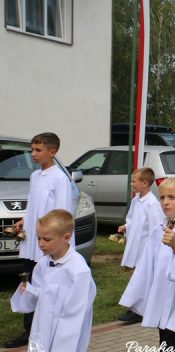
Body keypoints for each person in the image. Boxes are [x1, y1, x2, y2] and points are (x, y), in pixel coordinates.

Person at [119, 177, 175, 352]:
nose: (165, 202)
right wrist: (136, 295)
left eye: (172, 197)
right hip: (162, 295)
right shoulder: (158, 230)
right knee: (165, 340)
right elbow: (146, 266)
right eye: (162, 197)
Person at [5, 132, 76, 349]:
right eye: (32, 150)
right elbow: (35, 203)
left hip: (48, 245)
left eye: (38, 150)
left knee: (46, 286)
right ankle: (29, 330)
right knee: (29, 283)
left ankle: (46, 329)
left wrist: (57, 243)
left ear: (52, 152)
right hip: (31, 242)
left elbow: (62, 213)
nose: (34, 154)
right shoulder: (35, 176)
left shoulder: (60, 179)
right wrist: (24, 220)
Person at [10, 209, 96, 352]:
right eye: (39, 238)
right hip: (42, 325)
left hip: (65, 333)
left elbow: (75, 315)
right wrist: (28, 290)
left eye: (47, 239)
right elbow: (39, 298)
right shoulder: (42, 265)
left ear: (66, 237)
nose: (41, 244)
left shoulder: (78, 271)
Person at [118, 167, 162, 323]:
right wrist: (126, 227)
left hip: (145, 248)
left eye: (133, 181)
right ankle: (137, 306)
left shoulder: (152, 204)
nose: (131, 184)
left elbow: (156, 229)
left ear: (144, 183)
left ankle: (138, 310)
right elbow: (132, 218)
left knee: (142, 277)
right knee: (136, 276)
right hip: (135, 244)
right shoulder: (137, 200)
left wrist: (154, 251)